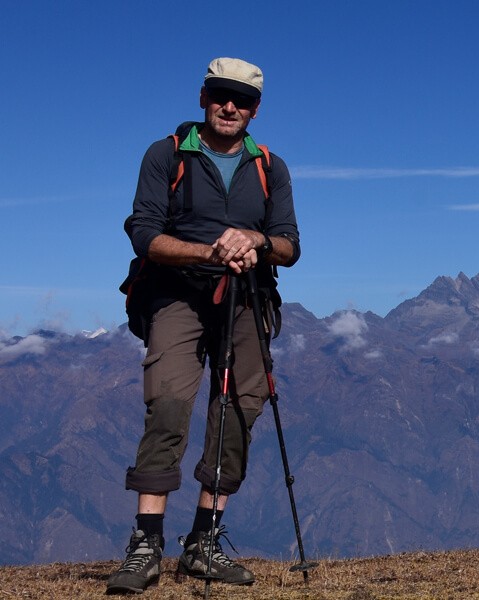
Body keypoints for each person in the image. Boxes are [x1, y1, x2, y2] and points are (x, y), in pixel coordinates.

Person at [107, 57, 300, 594]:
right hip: (176, 294)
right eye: (220, 94)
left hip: (247, 299)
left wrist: (255, 241)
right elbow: (144, 233)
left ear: (255, 109)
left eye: (241, 99)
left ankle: (203, 542)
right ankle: (146, 544)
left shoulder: (271, 167)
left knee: (241, 406)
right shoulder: (166, 154)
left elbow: (288, 245)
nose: (229, 106)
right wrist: (211, 251)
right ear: (203, 96)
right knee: (168, 401)